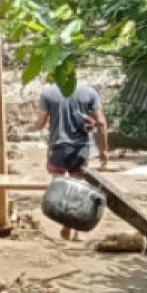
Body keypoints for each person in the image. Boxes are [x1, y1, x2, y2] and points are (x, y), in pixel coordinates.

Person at [35, 82, 110, 241]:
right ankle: (74, 230)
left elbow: (41, 122)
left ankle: (65, 223)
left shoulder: (48, 92)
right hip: (80, 149)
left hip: (58, 147)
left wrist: (32, 127)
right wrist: (103, 151)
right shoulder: (90, 92)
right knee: (78, 192)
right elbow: (101, 122)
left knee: (59, 189)